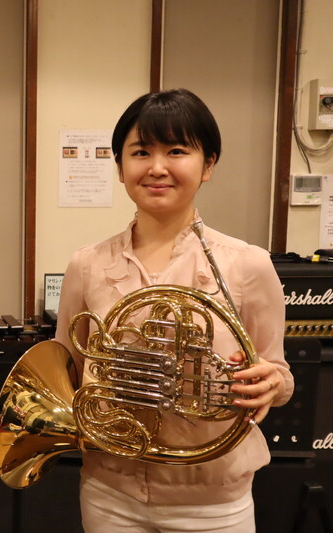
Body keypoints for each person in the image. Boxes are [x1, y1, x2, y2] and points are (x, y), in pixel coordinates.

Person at [54, 88, 293, 533]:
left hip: (213, 500)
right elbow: (65, 368)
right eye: (141, 152)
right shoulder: (86, 264)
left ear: (208, 165)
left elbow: (277, 372)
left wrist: (272, 383)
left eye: (177, 151)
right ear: (120, 167)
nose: (157, 167)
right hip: (110, 491)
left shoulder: (249, 265)